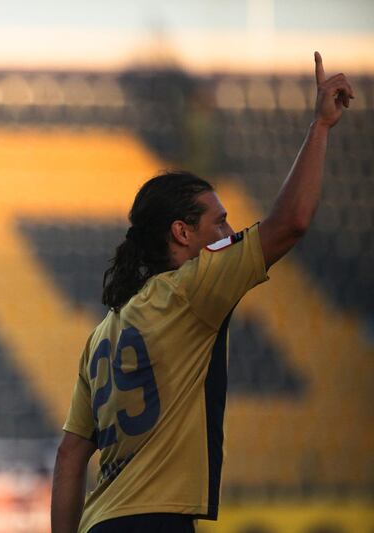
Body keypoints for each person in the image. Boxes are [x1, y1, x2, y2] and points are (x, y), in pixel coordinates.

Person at [51, 53, 353, 533]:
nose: (230, 231)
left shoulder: (105, 330)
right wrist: (320, 125)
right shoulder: (191, 288)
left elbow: (70, 455)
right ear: (182, 234)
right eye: (220, 223)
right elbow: (290, 223)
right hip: (156, 523)